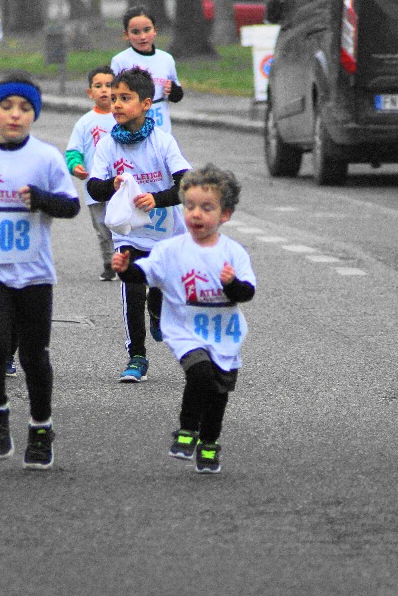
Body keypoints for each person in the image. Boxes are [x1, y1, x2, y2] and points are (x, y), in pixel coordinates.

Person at [0, 70, 80, 468]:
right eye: (6, 106)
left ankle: (41, 426)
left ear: (34, 115)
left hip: (34, 273)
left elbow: (70, 206)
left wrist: (41, 199)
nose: (15, 114)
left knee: (35, 356)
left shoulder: (46, 158)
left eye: (24, 108)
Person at [111, 164, 256, 474]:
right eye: (190, 206)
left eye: (207, 208)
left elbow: (246, 292)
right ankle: (187, 428)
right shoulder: (170, 250)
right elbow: (145, 273)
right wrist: (126, 269)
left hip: (224, 335)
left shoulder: (234, 253)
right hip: (185, 331)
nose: (196, 214)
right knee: (200, 374)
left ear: (225, 214)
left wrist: (231, 284)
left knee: (218, 394)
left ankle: (209, 443)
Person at [86, 67, 192, 383]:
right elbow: (93, 187)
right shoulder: (108, 145)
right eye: (114, 98)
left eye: (125, 98)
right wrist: (111, 185)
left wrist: (156, 199)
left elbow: (185, 185)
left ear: (146, 104)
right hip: (129, 236)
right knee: (132, 289)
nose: (116, 104)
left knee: (157, 288)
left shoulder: (163, 142)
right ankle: (137, 357)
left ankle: (158, 310)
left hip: (166, 236)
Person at [65, 66, 117, 281]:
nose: (104, 90)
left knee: (124, 222)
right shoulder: (85, 122)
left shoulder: (123, 117)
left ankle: (128, 259)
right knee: (102, 225)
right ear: (90, 92)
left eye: (109, 85)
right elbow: (73, 151)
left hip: (120, 182)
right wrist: (76, 166)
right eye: (98, 86)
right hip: (95, 185)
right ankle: (109, 263)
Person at [110, 5, 183, 135]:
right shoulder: (120, 61)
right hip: (133, 131)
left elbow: (177, 94)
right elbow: (113, 97)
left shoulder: (166, 59)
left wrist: (172, 90)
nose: (143, 37)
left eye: (147, 30)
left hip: (162, 129)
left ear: (155, 30)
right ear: (126, 35)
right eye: (136, 32)